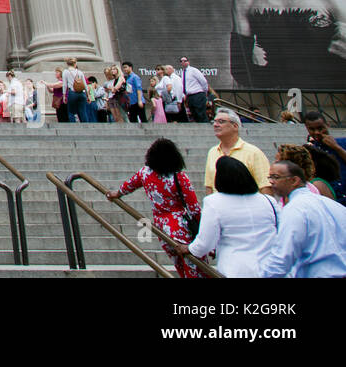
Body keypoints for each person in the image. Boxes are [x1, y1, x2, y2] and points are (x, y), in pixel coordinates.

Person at [107, 138, 202, 278]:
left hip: (161, 227)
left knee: (180, 266)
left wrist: (117, 194)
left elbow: (129, 185)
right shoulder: (179, 177)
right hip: (181, 227)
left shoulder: (145, 173)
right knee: (196, 268)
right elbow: (194, 208)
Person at [184, 155, 280, 277]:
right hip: (271, 268)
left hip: (236, 269)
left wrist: (189, 248)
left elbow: (204, 244)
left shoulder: (213, 202)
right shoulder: (269, 201)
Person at [260, 160, 346, 277]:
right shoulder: (333, 205)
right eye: (269, 177)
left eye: (275, 177)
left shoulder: (295, 209)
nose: (271, 182)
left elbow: (282, 257)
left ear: (294, 180)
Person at [204, 108, 273, 196]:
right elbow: (209, 186)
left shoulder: (253, 152)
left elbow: (265, 186)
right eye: (214, 121)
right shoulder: (212, 152)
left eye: (221, 121)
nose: (215, 125)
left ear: (235, 126)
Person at [303, 111, 346, 202]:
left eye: (320, 128)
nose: (317, 132)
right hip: (333, 200)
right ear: (307, 129)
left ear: (327, 125)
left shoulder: (343, 143)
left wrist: (336, 147)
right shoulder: (310, 151)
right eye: (312, 129)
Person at [178, 56, 210, 122]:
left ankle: (206, 128)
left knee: (200, 113)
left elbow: (203, 81)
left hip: (197, 94)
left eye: (185, 60)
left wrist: (205, 92)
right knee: (194, 114)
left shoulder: (193, 70)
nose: (183, 62)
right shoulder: (183, 72)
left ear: (188, 62)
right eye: (181, 61)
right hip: (189, 96)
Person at [62, 58, 90, 124]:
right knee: (83, 111)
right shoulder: (80, 72)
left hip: (72, 93)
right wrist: (88, 95)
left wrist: (64, 95)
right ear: (75, 64)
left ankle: (73, 126)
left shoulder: (65, 72)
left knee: (71, 112)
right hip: (81, 93)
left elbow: (64, 85)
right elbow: (85, 85)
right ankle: (86, 127)